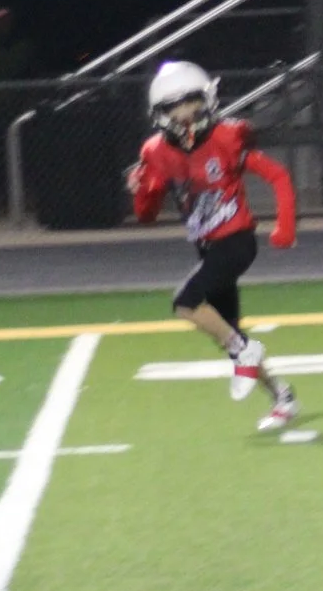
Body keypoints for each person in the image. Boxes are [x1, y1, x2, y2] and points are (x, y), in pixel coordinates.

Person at [128, 60, 301, 431]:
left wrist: (284, 225)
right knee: (230, 332)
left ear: (207, 100)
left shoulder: (226, 137)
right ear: (160, 113)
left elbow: (278, 175)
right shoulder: (156, 151)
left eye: (191, 103)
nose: (185, 115)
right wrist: (143, 188)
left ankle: (244, 351)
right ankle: (282, 395)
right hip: (207, 246)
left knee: (185, 303)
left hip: (236, 241)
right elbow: (146, 213)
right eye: (175, 108)